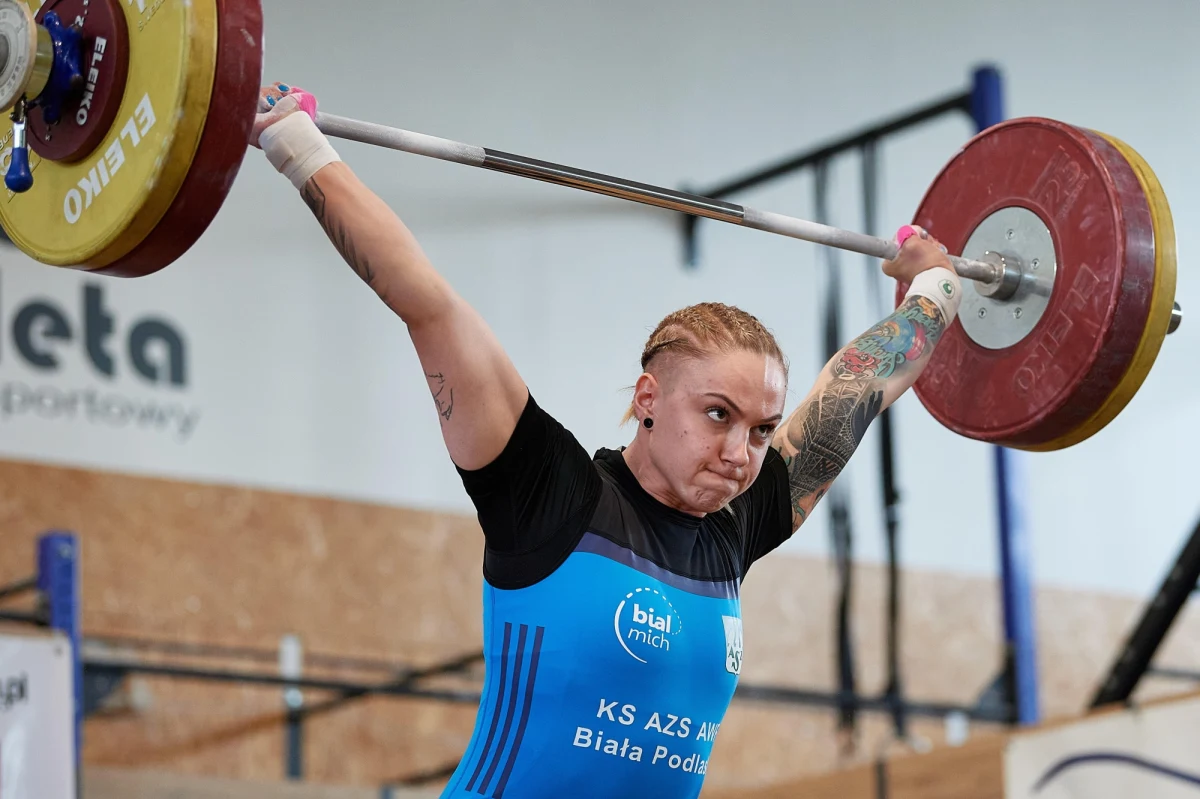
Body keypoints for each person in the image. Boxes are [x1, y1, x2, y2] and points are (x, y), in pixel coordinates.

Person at [251, 82, 962, 798]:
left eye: (761, 430)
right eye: (719, 413)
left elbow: (859, 386)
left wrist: (936, 287)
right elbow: (427, 303)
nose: (740, 453)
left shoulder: (736, 526)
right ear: (647, 398)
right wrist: (294, 143)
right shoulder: (548, 489)